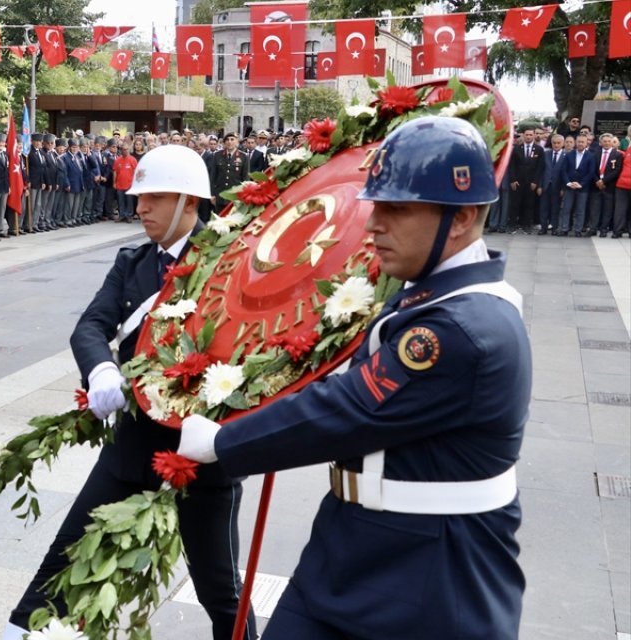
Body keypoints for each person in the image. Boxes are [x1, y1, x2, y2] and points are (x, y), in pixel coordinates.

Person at [172, 115, 530, 639]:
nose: (371, 225)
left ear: (461, 218)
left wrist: (225, 442)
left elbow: (350, 408)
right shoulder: (431, 291)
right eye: (375, 206)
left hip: (432, 573)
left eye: (396, 209)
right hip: (353, 545)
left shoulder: (462, 328)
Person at [1, 144, 255, 640]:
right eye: (139, 197)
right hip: (133, 447)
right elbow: (92, 325)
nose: (139, 208)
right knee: (64, 559)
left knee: (221, 594)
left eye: (154, 197)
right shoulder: (133, 262)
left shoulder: (230, 263)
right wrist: (100, 371)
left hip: (200, 457)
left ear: (189, 201)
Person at [558, 134, 596, 236]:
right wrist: (568, 183)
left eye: (582, 142)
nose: (580, 144)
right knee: (566, 208)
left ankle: (578, 230)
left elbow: (591, 173)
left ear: (586, 143)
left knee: (580, 210)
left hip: (582, 188)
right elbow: (563, 171)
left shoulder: (591, 156)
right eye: (579, 141)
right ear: (576, 142)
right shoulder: (569, 155)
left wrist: (581, 184)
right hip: (569, 186)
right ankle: (564, 228)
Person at [592, 133, 624, 237]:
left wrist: (604, 181)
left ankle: (603, 230)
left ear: (612, 142)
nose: (606, 143)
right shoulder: (595, 153)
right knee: (595, 209)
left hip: (609, 186)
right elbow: (591, 169)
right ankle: (593, 228)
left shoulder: (618, 155)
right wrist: (597, 180)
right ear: (600, 143)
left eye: (608, 141)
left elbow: (617, 171)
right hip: (595, 185)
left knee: (607, 210)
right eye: (604, 141)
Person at [537, 134, 567, 235]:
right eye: (554, 143)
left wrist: (563, 188)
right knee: (543, 207)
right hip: (546, 185)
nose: (556, 145)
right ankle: (543, 227)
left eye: (558, 143)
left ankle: (554, 227)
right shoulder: (546, 154)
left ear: (563, 144)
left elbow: (566, 174)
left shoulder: (566, 156)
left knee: (555, 208)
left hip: (558, 187)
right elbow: (541, 171)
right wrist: (540, 185)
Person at [112, 144, 137, 222]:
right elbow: (115, 172)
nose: (125, 151)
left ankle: (129, 216)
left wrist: (135, 183)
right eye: (123, 149)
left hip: (130, 185)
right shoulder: (117, 160)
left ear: (129, 150)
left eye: (126, 149)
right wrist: (114, 183)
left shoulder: (133, 160)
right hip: (119, 185)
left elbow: (136, 172)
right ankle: (122, 215)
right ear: (121, 150)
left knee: (129, 201)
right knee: (120, 201)